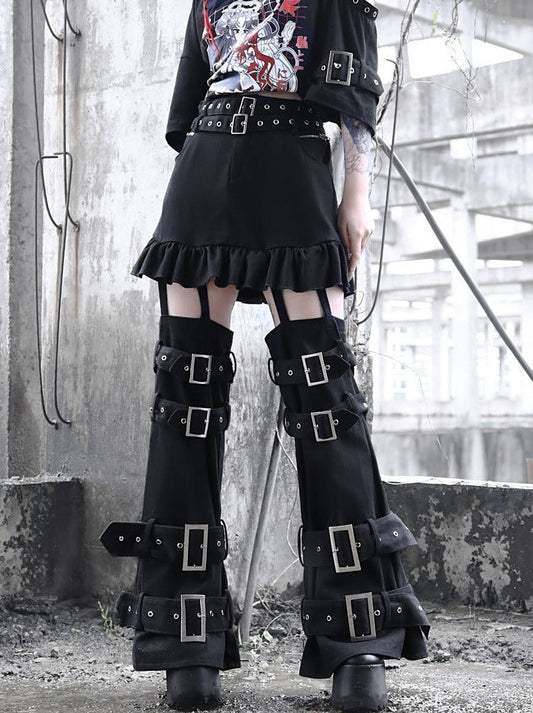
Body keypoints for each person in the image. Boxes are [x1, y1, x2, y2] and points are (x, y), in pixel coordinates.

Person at [99, 1, 431, 710]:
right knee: (185, 398)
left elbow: (355, 97)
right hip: (206, 165)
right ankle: (187, 651)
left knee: (324, 397)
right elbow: (193, 96)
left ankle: (357, 644)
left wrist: (356, 193)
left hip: (293, 166)